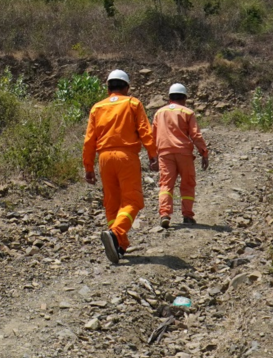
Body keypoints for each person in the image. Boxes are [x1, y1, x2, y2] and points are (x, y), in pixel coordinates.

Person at [82, 69, 157, 264]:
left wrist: (88, 166)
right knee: (133, 201)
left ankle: (119, 245)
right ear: (126, 87)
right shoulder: (132, 103)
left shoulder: (97, 108)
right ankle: (116, 233)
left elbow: (89, 140)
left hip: (104, 159)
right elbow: (144, 131)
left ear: (108, 88)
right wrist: (152, 154)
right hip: (126, 157)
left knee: (112, 202)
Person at [151, 83, 210, 229]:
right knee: (187, 184)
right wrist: (204, 152)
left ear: (169, 97)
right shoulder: (187, 112)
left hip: (164, 154)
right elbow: (195, 135)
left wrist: (152, 156)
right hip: (184, 153)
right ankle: (187, 216)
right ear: (184, 98)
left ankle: (164, 214)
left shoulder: (159, 113)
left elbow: (152, 136)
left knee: (165, 185)